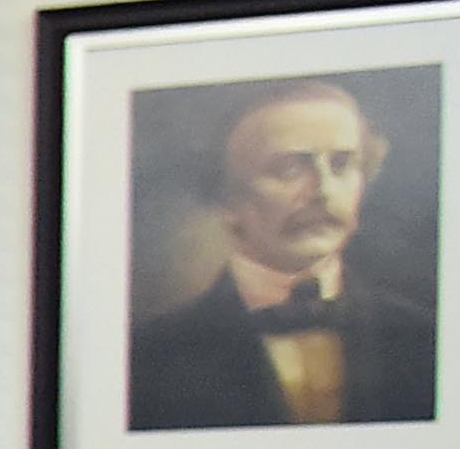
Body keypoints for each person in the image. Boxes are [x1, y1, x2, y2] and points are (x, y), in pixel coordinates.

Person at [127, 78, 437, 430]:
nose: (323, 190)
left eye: (341, 164)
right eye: (290, 169)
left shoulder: (424, 339)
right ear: (226, 198)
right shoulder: (152, 358)